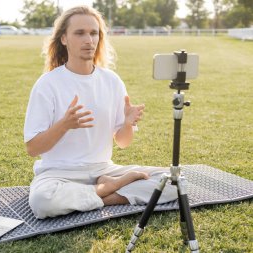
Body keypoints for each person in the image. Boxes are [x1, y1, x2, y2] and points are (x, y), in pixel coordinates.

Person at [24, 6, 177, 219]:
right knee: (43, 201)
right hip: (58, 174)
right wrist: (64, 124)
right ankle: (109, 191)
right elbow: (33, 148)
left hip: (103, 170)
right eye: (79, 33)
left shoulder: (111, 81)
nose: (89, 40)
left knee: (174, 182)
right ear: (64, 39)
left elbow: (123, 142)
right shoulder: (47, 84)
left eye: (94, 33)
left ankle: (104, 194)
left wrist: (126, 124)